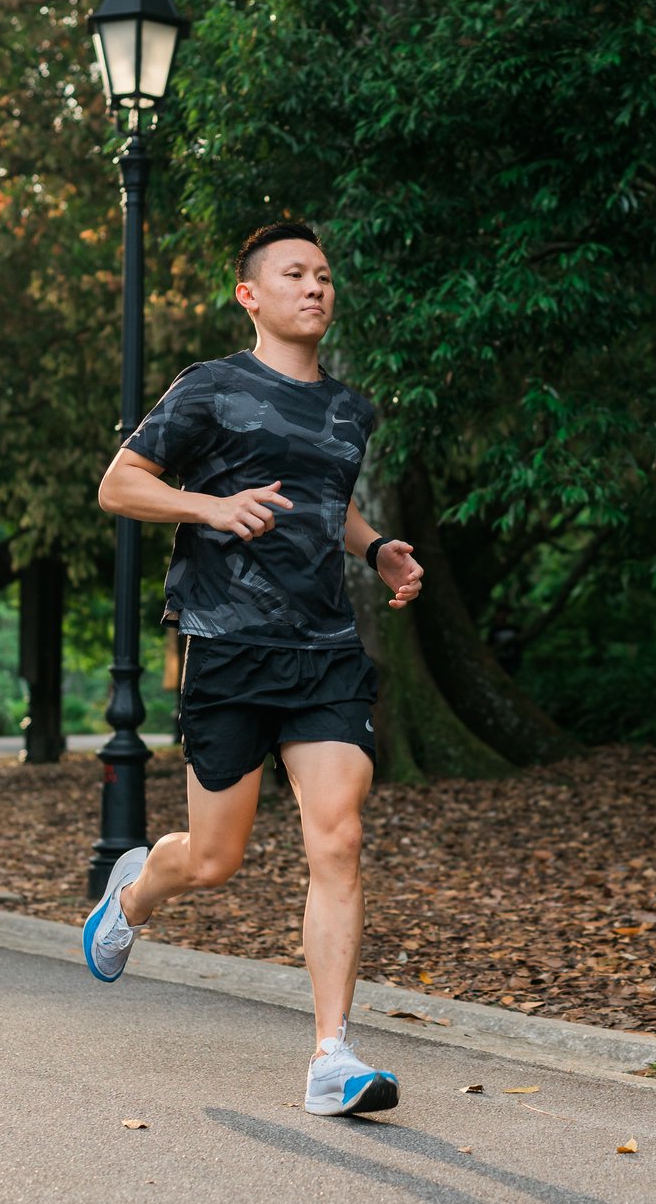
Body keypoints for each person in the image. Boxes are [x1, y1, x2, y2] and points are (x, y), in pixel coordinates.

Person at [81, 219, 424, 1117]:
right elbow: (120, 484)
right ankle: (135, 891)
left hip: (324, 651)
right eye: (293, 274)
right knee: (212, 860)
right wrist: (211, 505)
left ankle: (331, 1055)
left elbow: (327, 504)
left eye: (323, 274)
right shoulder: (213, 389)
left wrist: (377, 544)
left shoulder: (351, 409)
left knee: (338, 835)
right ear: (251, 295)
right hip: (226, 644)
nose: (315, 286)